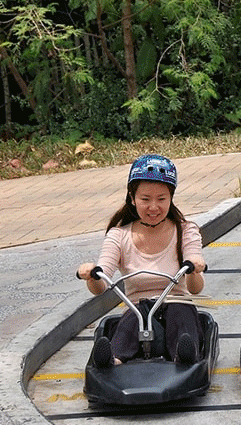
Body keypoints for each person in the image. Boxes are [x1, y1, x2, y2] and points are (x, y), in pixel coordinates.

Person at [77, 154, 207, 367]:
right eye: (145, 199)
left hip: (176, 303)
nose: (154, 207)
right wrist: (91, 275)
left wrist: (194, 268)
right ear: (132, 197)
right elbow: (102, 282)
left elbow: (195, 289)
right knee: (136, 314)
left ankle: (184, 356)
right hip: (137, 308)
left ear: (171, 198)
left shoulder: (185, 230)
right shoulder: (119, 235)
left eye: (161, 199)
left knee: (180, 310)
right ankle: (113, 359)